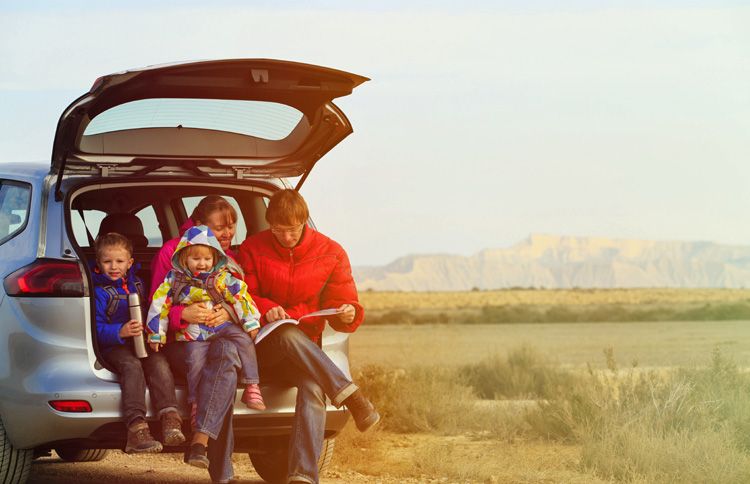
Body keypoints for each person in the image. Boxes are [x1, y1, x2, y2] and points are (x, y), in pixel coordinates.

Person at [238, 189, 380, 484]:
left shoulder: (331, 252)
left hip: (306, 352)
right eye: (278, 230)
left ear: (304, 222)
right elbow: (242, 294)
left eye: (293, 230)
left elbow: (343, 300)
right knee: (287, 332)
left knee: (314, 384)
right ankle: (352, 396)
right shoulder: (252, 248)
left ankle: (303, 475)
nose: (286, 237)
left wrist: (348, 312)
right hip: (263, 348)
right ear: (268, 223)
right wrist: (265, 309)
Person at [146, 225, 265, 468]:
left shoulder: (222, 278)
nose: (201, 263)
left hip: (221, 327)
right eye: (195, 258)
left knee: (243, 340)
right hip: (194, 334)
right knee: (194, 361)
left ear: (216, 258)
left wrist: (250, 321)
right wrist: (156, 334)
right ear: (183, 258)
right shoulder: (174, 280)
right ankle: (195, 402)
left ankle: (252, 383)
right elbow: (160, 306)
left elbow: (241, 297)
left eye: (207, 258)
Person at [150, 195, 243, 483]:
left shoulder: (230, 260)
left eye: (232, 226)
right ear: (200, 224)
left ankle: (200, 445)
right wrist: (183, 314)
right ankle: (220, 472)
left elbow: (242, 300)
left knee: (225, 358)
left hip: (220, 340)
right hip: (183, 343)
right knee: (220, 369)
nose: (227, 233)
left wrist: (227, 312)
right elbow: (154, 304)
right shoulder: (170, 252)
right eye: (220, 228)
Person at [93, 232, 185, 454]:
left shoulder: (138, 284)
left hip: (141, 340)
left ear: (130, 262)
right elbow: (94, 329)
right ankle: (136, 428)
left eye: (119, 261)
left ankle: (170, 418)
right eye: (107, 261)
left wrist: (152, 332)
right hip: (112, 346)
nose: (113, 267)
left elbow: (154, 310)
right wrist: (119, 331)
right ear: (98, 263)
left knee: (159, 362)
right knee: (132, 366)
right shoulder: (98, 292)